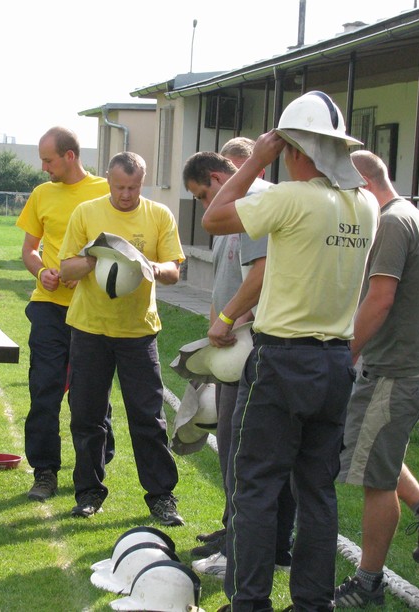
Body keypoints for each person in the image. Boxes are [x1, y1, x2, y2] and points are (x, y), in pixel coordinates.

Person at [201, 91, 378, 612]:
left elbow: (214, 217)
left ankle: (250, 603)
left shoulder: (290, 197)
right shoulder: (364, 204)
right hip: (335, 362)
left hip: (282, 361)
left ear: (293, 148)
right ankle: (311, 604)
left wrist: (255, 158)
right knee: (317, 493)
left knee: (255, 489)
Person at [333, 151, 419, 608]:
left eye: (346, 190)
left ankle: (369, 582)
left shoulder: (389, 223)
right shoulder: (414, 215)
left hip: (397, 368)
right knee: (376, 451)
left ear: (364, 184)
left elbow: (381, 298)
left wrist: (344, 353)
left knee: (375, 477)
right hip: (417, 363)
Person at [181, 148, 296, 579]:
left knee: (242, 451)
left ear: (215, 176)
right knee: (234, 446)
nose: (204, 205)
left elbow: (261, 275)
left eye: (201, 193)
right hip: (232, 347)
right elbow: (224, 286)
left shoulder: (257, 202)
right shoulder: (231, 209)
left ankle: (246, 550)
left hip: (254, 348)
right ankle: (239, 533)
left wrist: (231, 323)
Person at [59, 151, 185, 526]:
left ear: (142, 182)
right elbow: (66, 268)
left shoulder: (159, 215)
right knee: (86, 415)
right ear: (108, 181)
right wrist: (102, 258)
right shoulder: (86, 212)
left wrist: (147, 266)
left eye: (133, 187)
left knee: (148, 417)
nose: (125, 195)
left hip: (138, 331)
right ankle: (89, 492)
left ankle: (162, 497)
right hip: (90, 328)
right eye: (119, 187)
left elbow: (173, 269)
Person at [16, 126, 115, 502]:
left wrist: (83, 272)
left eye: (48, 160)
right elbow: (29, 249)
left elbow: (115, 248)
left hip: (91, 309)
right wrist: (43, 271)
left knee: (90, 397)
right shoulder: (41, 194)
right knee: (44, 389)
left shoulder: (106, 190)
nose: (43, 167)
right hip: (48, 307)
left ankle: (91, 471)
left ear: (70, 156)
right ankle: (44, 472)